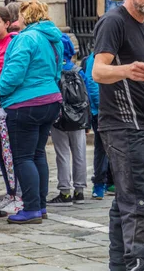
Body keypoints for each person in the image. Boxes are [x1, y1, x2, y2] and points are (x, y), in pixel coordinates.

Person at [92, 0, 144, 271]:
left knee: (126, 200)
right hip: (123, 126)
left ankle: (119, 266)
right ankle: (137, 266)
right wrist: (125, 70)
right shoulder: (113, 22)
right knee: (139, 203)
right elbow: (98, 71)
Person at [0, 0, 64, 224]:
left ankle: (32, 208)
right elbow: (57, 70)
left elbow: (14, 74)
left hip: (25, 104)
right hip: (51, 99)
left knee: (23, 157)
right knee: (38, 154)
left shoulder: (26, 38)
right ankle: (41, 206)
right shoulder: (54, 38)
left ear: (27, 17)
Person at [47, 34, 89, 207]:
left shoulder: (53, 70)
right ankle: (79, 190)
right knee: (80, 152)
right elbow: (89, 93)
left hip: (59, 117)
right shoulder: (78, 71)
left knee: (62, 153)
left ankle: (65, 191)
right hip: (79, 117)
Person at [0, 7, 22, 216]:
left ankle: (15, 193)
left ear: (6, 23)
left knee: (9, 154)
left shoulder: (14, 42)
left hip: (5, 104)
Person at [84, 51, 113, 200]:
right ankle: (99, 184)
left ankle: (111, 182)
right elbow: (91, 81)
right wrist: (102, 107)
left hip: (115, 109)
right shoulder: (96, 55)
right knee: (102, 147)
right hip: (101, 110)